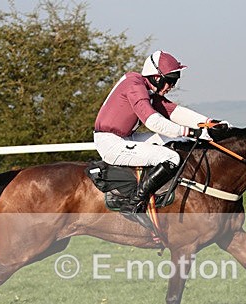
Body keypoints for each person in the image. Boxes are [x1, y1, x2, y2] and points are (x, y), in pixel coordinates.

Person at [93, 50, 222, 215]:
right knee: (172, 157)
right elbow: (153, 122)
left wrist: (210, 123)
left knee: (181, 142)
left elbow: (174, 111)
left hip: (125, 138)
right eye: (170, 81)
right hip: (111, 143)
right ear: (156, 77)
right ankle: (134, 203)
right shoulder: (135, 86)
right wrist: (192, 132)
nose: (172, 86)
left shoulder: (145, 88)